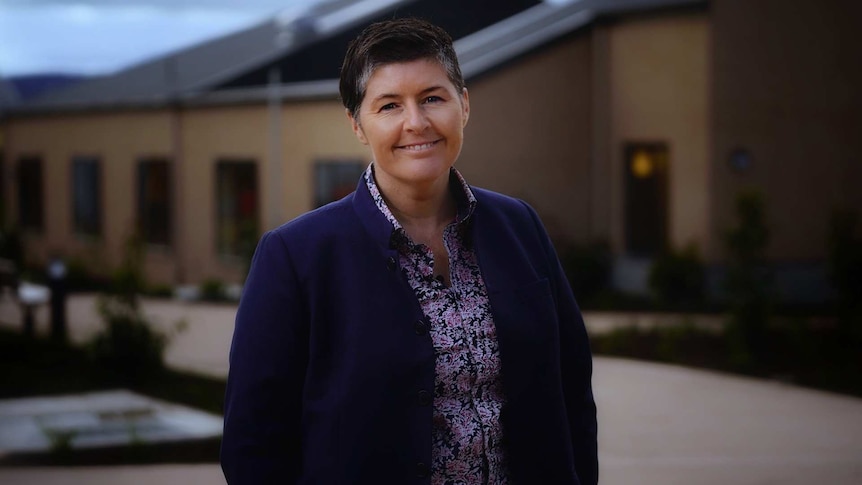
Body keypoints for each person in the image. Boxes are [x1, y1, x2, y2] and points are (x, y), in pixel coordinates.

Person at [221, 17, 598, 485]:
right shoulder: (296, 257)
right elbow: (253, 442)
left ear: (463, 104)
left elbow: (572, 387)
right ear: (357, 124)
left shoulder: (519, 225)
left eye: (432, 98)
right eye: (389, 106)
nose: (416, 123)